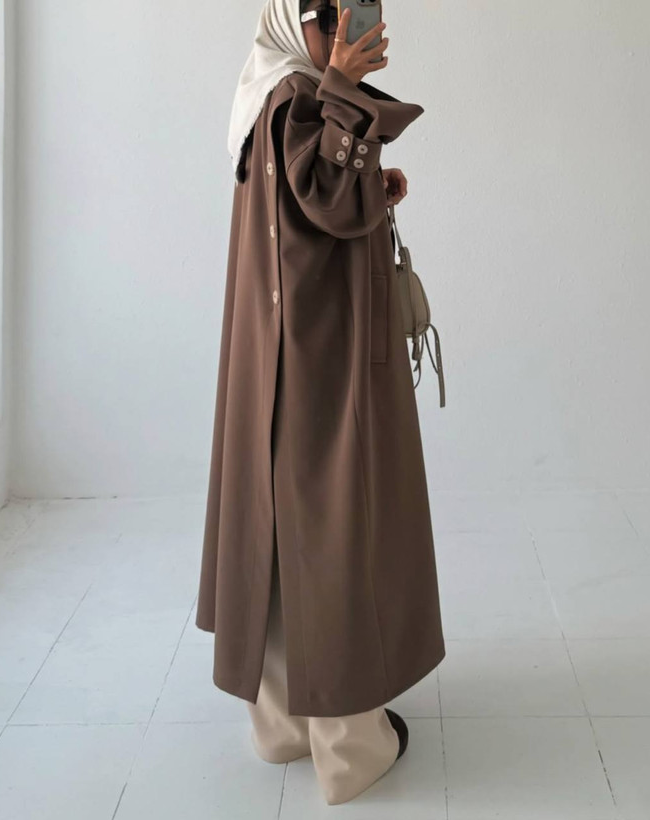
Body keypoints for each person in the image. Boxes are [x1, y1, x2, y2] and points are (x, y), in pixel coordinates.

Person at [195, 0, 446, 805]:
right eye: (323, 13)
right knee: (339, 528)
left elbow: (306, 212)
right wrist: (340, 82)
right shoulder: (300, 93)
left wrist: (375, 189)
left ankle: (280, 724)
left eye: (350, 9)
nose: (339, 27)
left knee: (277, 528)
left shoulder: (268, 94)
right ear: (285, 16)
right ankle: (350, 748)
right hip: (322, 359)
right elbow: (328, 200)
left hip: (277, 355)